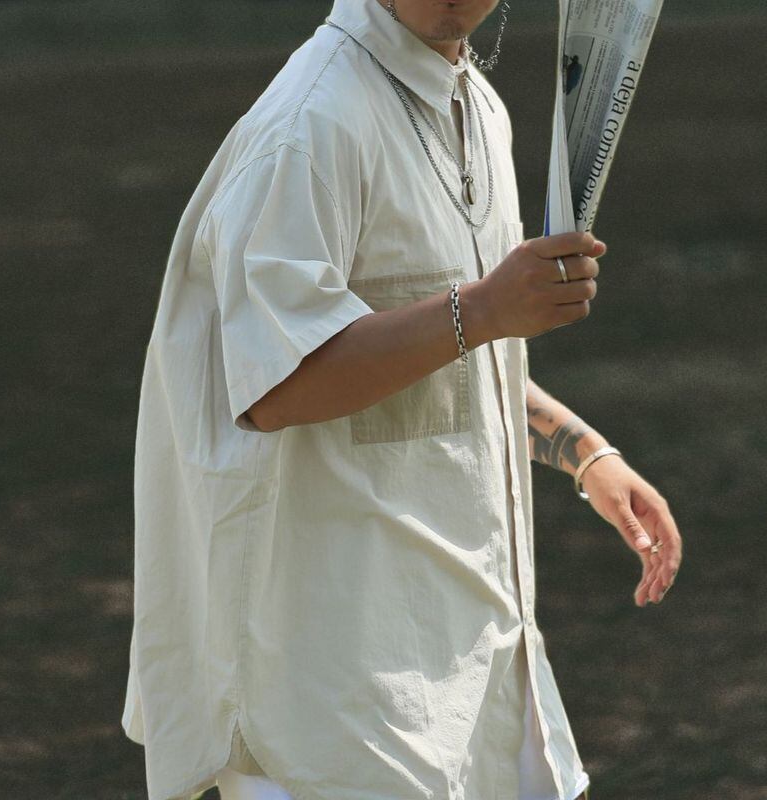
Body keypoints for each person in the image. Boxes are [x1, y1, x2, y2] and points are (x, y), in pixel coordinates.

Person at [120, 1, 684, 799]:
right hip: (332, 687)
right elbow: (275, 384)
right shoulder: (310, 123)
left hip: (471, 650)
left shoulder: (476, 103)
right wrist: (483, 309)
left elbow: (442, 352)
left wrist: (585, 453)